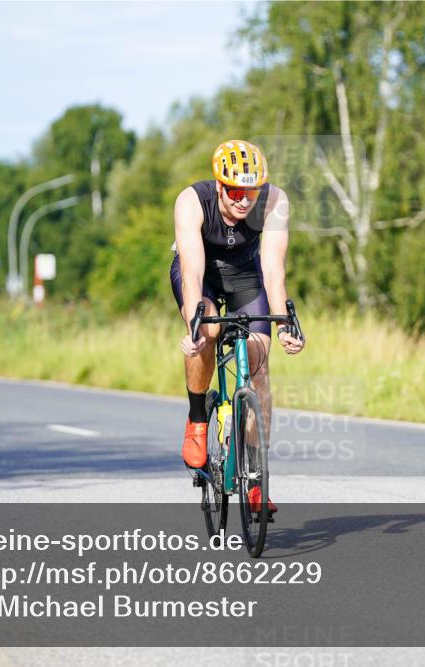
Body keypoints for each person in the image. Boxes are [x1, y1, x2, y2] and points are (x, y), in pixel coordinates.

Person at [171, 139, 305, 514]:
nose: (244, 200)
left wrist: (283, 327)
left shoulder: (274, 200)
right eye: (235, 192)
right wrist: (195, 324)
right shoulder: (192, 200)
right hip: (204, 276)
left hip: (246, 276)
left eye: (251, 191)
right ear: (218, 186)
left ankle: (256, 479)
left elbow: (274, 270)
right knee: (209, 333)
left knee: (260, 366)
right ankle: (198, 420)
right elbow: (193, 269)